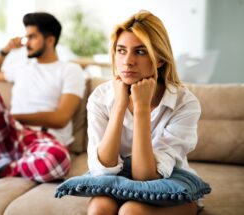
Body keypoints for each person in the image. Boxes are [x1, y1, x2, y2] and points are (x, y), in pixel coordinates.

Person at [86, 10, 202, 215]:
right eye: (121, 50)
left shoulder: (185, 103)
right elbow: (103, 169)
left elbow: (145, 177)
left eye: (140, 52)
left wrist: (140, 109)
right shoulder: (100, 97)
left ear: (159, 59)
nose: (127, 61)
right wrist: (120, 104)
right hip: (118, 178)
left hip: (169, 183)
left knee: (131, 212)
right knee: (98, 209)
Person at [0, 12, 85, 186]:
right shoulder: (21, 67)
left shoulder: (70, 70)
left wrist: (15, 117)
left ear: (50, 40)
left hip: (45, 140)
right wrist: (5, 50)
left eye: (32, 37)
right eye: (26, 37)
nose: (27, 43)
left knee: (56, 161)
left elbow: (61, 118)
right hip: (10, 133)